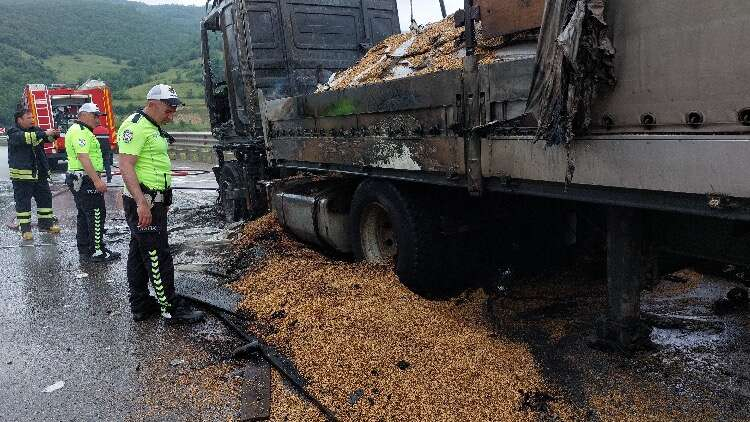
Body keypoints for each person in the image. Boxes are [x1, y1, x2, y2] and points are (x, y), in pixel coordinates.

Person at [117, 84, 205, 323]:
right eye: (168, 110)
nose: (171, 116)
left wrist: (164, 199)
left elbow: (155, 165)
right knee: (158, 254)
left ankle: (141, 304)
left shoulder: (152, 126)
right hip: (144, 202)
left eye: (173, 111)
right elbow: (125, 166)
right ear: (152, 104)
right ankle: (170, 308)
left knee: (139, 253)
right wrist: (141, 203)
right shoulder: (135, 126)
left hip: (153, 201)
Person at [64, 103, 121, 263]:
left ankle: (85, 249)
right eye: (95, 116)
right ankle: (97, 251)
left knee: (84, 215)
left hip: (81, 178)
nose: (98, 119)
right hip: (85, 179)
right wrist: (97, 180)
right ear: (84, 115)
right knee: (96, 213)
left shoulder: (82, 130)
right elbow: (83, 157)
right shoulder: (80, 131)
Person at [7, 108, 62, 240]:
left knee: (45, 199)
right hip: (22, 177)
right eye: (28, 118)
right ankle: (25, 230)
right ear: (19, 120)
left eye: (32, 117)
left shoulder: (36, 130)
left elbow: (47, 138)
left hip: (40, 174)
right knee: (23, 203)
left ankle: (46, 225)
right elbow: (27, 138)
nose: (32, 120)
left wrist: (54, 134)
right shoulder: (13, 132)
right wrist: (44, 133)